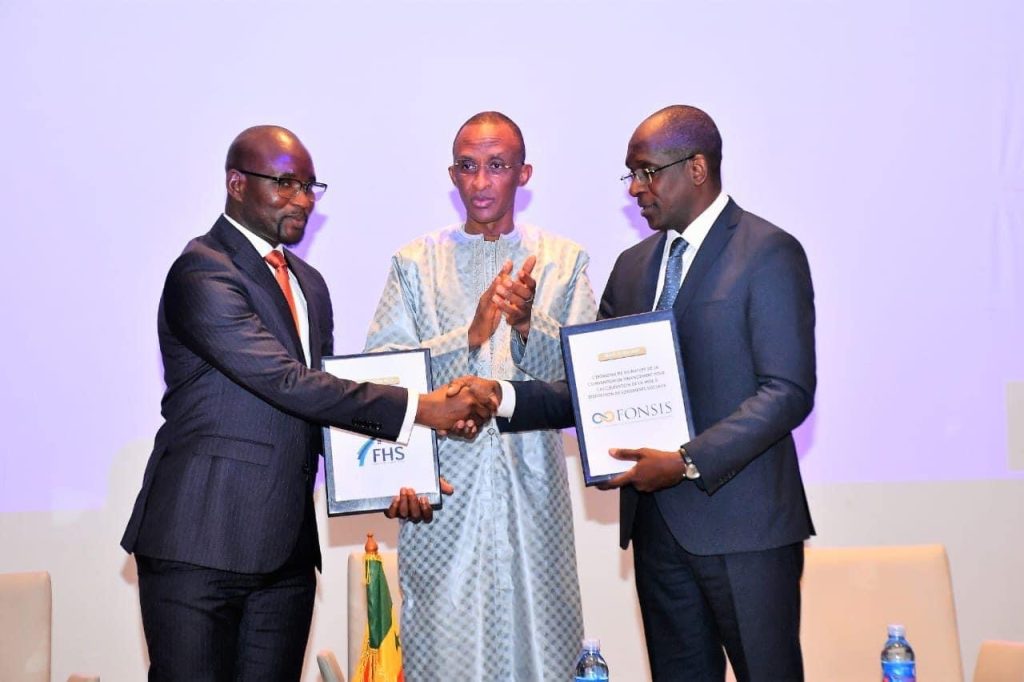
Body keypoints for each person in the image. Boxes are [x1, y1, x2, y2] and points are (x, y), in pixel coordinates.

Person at [120, 125, 493, 681]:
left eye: (310, 186)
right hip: (199, 542)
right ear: (237, 184)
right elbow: (285, 381)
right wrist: (420, 409)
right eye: (286, 184)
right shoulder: (203, 270)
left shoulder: (308, 283)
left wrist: (397, 473)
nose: (302, 200)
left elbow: (322, 407)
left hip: (286, 553)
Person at [459, 104, 817, 681]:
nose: (634, 189)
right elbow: (587, 388)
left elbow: (786, 392)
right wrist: (502, 398)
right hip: (657, 532)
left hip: (746, 530)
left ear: (697, 168)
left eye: (647, 172)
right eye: (631, 174)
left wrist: (685, 461)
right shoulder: (633, 267)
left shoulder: (767, 251)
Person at [364, 111, 596, 680]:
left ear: (524, 173)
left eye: (497, 166)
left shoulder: (565, 262)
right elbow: (381, 382)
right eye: (468, 167)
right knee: (443, 655)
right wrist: (466, 337)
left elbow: (584, 387)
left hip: (534, 495)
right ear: (453, 175)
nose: (482, 182)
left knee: (542, 652)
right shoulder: (415, 264)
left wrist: (527, 325)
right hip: (441, 497)